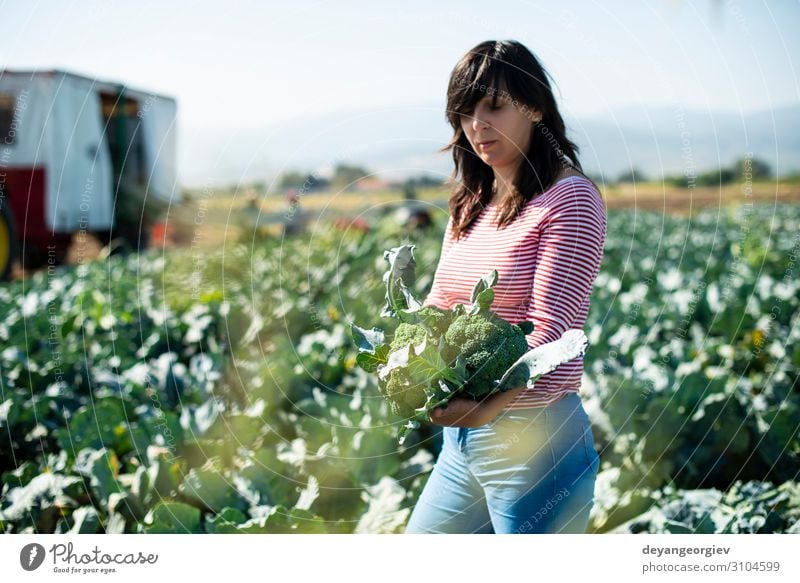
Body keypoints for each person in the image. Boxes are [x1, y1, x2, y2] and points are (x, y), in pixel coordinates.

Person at [404, 40, 607, 534]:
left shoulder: (570, 200)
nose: (477, 125)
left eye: (493, 106)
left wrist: (484, 408)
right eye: (465, 112)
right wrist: (409, 358)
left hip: (537, 443)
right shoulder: (470, 203)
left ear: (534, 108)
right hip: (463, 444)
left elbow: (551, 337)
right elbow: (439, 306)